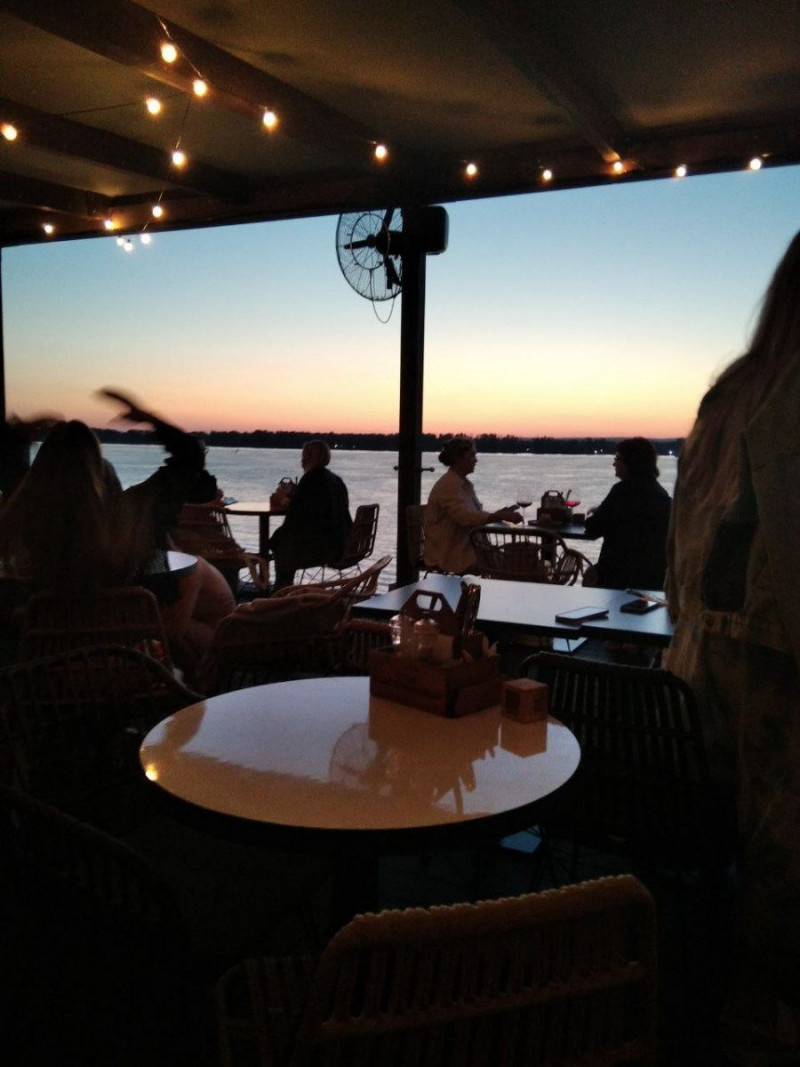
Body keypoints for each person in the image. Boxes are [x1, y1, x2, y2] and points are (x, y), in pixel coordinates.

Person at [665, 229, 800, 1063]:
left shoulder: (726, 398)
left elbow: (677, 572)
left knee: (710, 881)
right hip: (772, 707)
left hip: (686, 696)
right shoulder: (787, 396)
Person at [0, 390, 234, 680]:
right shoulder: (129, 515)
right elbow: (190, 456)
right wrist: (148, 419)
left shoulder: (27, 518)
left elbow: (9, 464)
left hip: (46, 681)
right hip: (122, 673)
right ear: (101, 472)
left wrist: (19, 434)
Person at [423, 435, 522, 574]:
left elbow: (472, 516)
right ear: (458, 458)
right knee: (520, 565)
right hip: (450, 555)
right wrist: (499, 516)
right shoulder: (448, 486)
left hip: (468, 549)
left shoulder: (463, 484)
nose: (475, 460)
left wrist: (499, 515)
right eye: (471, 455)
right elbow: (464, 518)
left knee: (522, 561)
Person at [583, 437, 671, 590]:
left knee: (589, 576)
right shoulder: (661, 494)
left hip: (619, 575)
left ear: (631, 462)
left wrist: (585, 518)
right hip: (655, 577)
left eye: (617, 458)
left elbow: (594, 528)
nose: (614, 464)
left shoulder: (622, 491)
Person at [269, 439, 352, 589]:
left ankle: (282, 589)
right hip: (342, 543)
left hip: (321, 548)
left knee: (281, 541)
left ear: (308, 458)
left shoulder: (310, 479)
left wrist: (286, 501)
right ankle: (283, 589)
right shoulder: (336, 480)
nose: (301, 461)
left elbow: (295, 517)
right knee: (282, 540)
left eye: (304, 457)